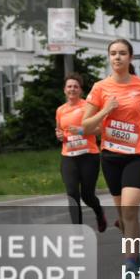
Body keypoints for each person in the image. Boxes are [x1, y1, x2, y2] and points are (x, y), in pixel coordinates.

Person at [81, 39, 140, 279]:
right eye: (113, 53)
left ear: (130, 57)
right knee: (124, 217)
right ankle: (135, 255)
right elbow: (87, 126)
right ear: (109, 58)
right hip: (111, 157)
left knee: (130, 210)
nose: (117, 58)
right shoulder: (100, 88)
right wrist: (106, 111)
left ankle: (129, 266)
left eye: (122, 53)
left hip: (137, 155)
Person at [54, 73, 107, 231]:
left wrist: (82, 130)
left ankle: (99, 212)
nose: (72, 89)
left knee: (87, 195)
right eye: (69, 86)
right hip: (68, 156)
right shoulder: (60, 110)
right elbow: (60, 131)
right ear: (64, 90)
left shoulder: (87, 107)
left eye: (75, 86)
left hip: (88, 155)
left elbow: (99, 129)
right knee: (72, 194)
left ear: (80, 90)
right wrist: (60, 136)